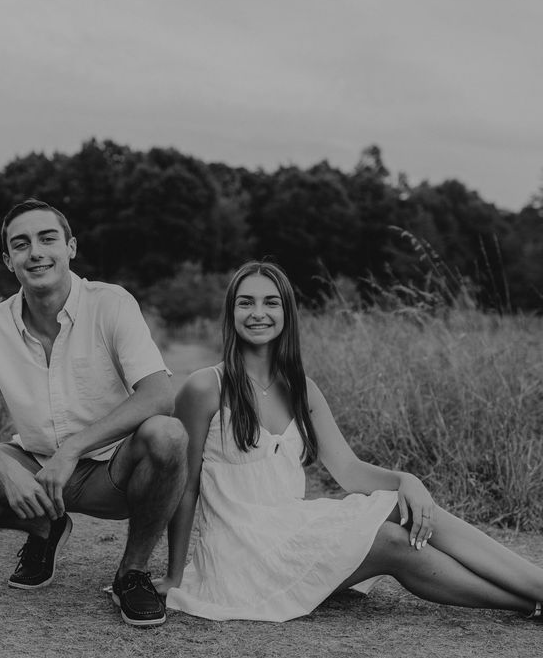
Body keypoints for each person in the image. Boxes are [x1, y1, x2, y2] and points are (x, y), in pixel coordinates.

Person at [158, 260, 543, 623]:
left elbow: (349, 471)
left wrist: (405, 478)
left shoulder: (302, 390)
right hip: (241, 553)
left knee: (400, 508)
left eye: (270, 302)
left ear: (287, 313)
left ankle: (534, 597)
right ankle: (533, 595)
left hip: (289, 530)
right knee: (390, 538)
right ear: (232, 312)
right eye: (246, 303)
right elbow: (184, 487)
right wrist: (175, 576)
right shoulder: (206, 386)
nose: (258, 312)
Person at [0, 198, 187, 628]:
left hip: (113, 470)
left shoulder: (111, 303)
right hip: (37, 468)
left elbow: (158, 395)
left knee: (168, 435)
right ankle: (46, 527)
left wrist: (73, 448)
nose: (35, 252)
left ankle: (131, 574)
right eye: (21, 245)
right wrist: (7, 469)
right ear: (9, 260)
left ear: (71, 247)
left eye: (47, 238)